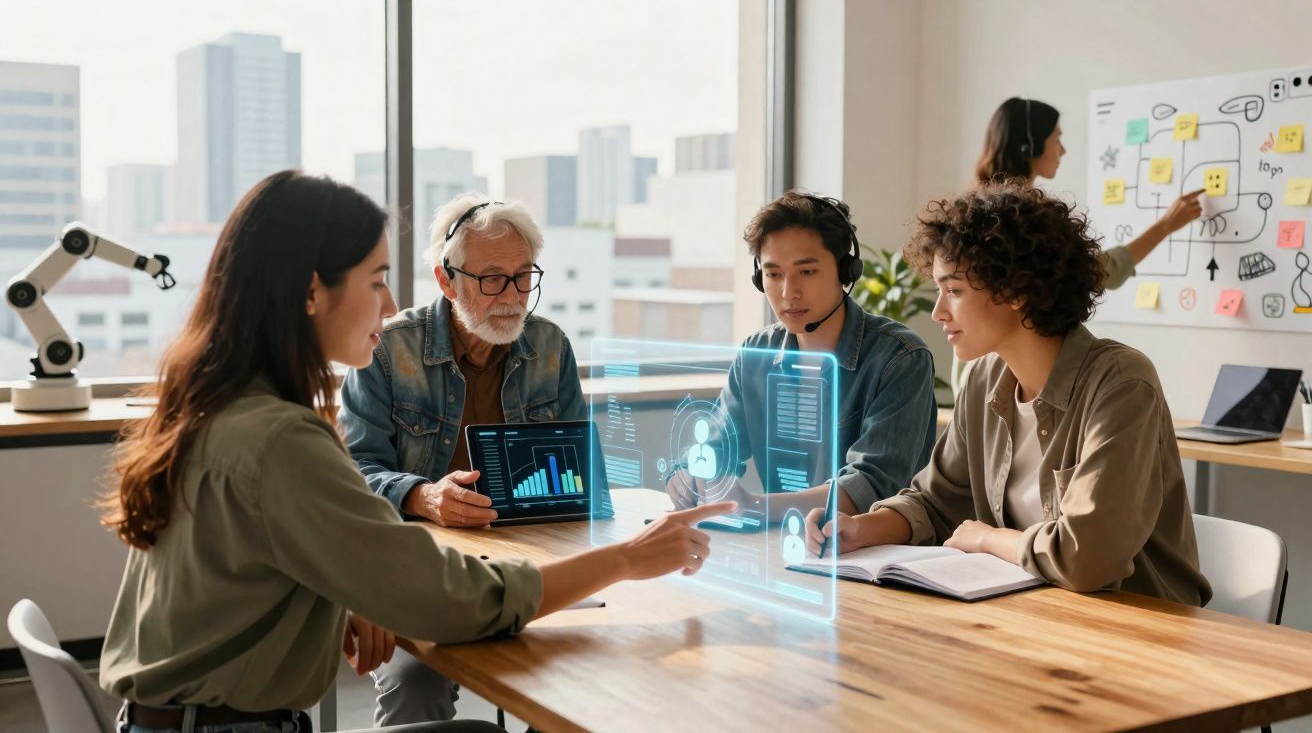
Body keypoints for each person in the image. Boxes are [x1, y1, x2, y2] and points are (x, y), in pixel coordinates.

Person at [98, 170, 735, 733]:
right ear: (312, 291)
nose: (390, 305)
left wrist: (344, 594)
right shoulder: (282, 439)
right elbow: (451, 601)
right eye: (376, 280)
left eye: (521, 277)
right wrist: (625, 560)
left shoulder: (223, 406)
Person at [805, 181, 1211, 606]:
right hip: (1038, 616)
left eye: (955, 291)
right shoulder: (984, 379)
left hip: (1140, 627)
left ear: (1016, 290)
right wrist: (862, 528)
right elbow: (935, 501)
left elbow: (1087, 557)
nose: (938, 311)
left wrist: (988, 539)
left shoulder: (1122, 384)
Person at [337, 192, 585, 725]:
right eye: (493, 278)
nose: (513, 295)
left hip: (528, 557)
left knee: (589, 670)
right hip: (415, 561)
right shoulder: (385, 349)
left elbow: (579, 471)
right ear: (446, 280)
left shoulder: (550, 347)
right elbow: (353, 475)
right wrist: (422, 496)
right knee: (415, 683)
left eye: (524, 277)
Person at [667, 191, 938, 522]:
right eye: (773, 274)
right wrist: (687, 474)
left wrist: (754, 506)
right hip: (788, 551)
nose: (788, 292)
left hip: (872, 558)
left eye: (806, 272)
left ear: (845, 271)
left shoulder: (900, 358)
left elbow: (873, 485)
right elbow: (715, 442)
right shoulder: (757, 356)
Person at [953, 97, 1206, 394]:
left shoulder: (977, 212)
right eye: (1056, 138)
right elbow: (1091, 272)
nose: (1062, 150)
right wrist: (1164, 227)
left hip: (982, 374)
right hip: (1002, 376)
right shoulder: (1014, 222)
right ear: (1029, 145)